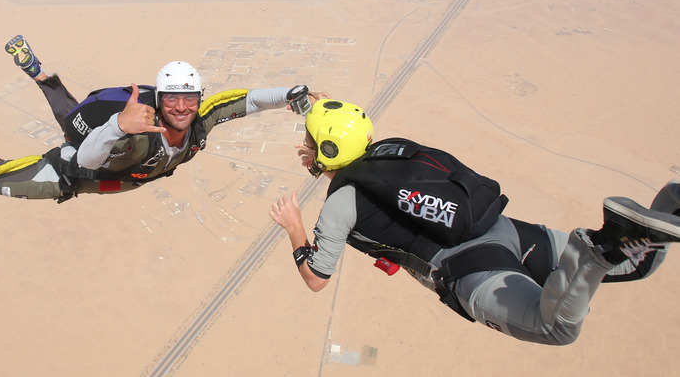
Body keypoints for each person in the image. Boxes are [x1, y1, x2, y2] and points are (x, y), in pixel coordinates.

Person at [269, 98, 680, 345]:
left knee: (554, 326)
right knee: (637, 264)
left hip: (471, 267)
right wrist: (312, 111)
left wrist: (295, 229)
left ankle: (598, 250)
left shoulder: (340, 205)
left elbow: (316, 278)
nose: (303, 147)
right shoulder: (385, 154)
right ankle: (673, 200)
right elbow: (339, 123)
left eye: (309, 141)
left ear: (325, 149)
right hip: (506, 229)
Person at [0, 35, 324, 202]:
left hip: (112, 164)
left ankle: (38, 71)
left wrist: (291, 96)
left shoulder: (199, 119)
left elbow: (244, 101)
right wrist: (119, 127)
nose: (181, 108)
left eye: (189, 99)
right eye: (172, 100)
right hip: (68, 173)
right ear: (159, 102)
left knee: (74, 119)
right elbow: (86, 159)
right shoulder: (138, 135)